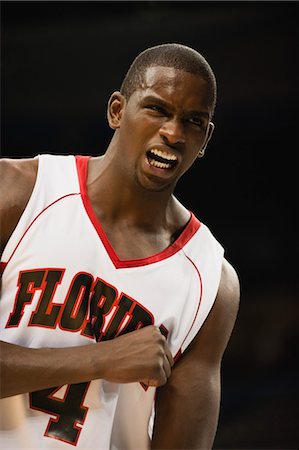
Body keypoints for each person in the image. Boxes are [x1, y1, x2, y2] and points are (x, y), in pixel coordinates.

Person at [0, 43, 240, 449]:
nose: (173, 132)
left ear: (206, 138)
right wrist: (102, 359)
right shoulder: (19, 193)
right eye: (157, 109)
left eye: (193, 121)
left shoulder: (212, 283)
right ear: (116, 110)